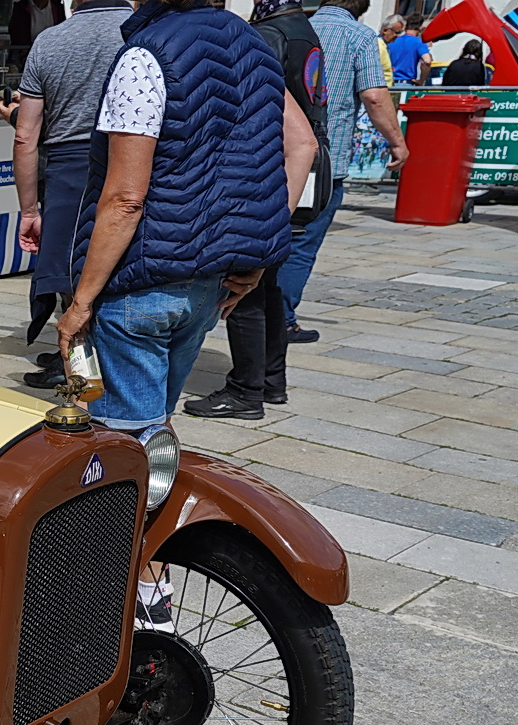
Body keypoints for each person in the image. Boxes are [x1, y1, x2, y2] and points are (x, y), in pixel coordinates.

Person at [60, 0, 317, 433]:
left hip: (142, 279)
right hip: (209, 281)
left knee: (126, 439)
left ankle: (138, 500)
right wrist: (256, 252)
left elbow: (126, 198)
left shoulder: (146, 56)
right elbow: (302, 145)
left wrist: (81, 301)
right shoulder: (254, 46)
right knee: (156, 428)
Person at [185, 0, 327, 419]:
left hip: (268, 171)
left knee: (244, 287)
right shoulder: (303, 30)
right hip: (297, 171)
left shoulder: (264, 37)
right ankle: (270, 381)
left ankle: (247, 390)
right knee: (269, 285)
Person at [9, 0, 133, 387]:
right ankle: (115, 373)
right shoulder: (144, 31)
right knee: (122, 268)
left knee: (70, 274)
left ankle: (81, 376)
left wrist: (29, 209)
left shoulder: (49, 42)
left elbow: (25, 136)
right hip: (133, 161)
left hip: (67, 168)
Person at [275, 0, 408, 342]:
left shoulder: (289, 28)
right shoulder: (359, 37)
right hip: (323, 161)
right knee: (301, 242)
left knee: (268, 236)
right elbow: (375, 98)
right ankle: (281, 320)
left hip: (275, 152)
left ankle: (249, 311)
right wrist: (397, 141)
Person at [384, 15, 432, 84]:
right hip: (406, 83)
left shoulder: (393, 40)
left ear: (405, 26)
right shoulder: (419, 42)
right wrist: (421, 80)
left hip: (389, 82)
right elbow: (427, 61)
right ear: (420, 28)